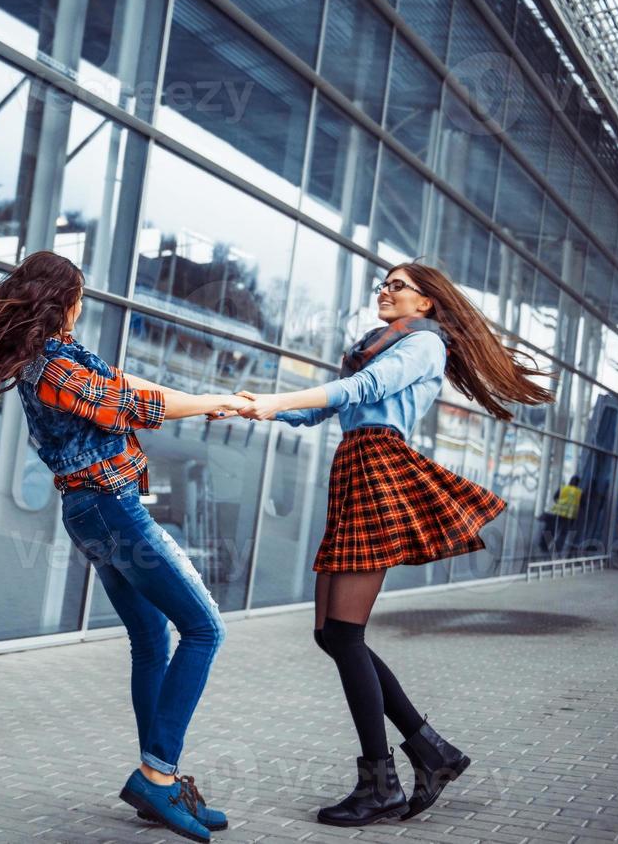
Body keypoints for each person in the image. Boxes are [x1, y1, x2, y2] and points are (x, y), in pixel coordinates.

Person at [0, 251, 251, 843]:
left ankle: (160, 780)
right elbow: (126, 407)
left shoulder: (66, 358)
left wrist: (218, 398)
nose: (83, 304)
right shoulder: (50, 369)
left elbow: (128, 385)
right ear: (63, 300)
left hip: (97, 513)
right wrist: (215, 404)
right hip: (110, 512)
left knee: (151, 638)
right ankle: (156, 777)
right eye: (80, 294)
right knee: (206, 629)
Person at [236, 262, 554, 826]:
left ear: (426, 302)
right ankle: (432, 752)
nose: (385, 290)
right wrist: (250, 404)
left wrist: (277, 401)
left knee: (344, 634)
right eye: (382, 282)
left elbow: (365, 390)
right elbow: (327, 408)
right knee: (330, 635)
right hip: (355, 467)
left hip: (381, 467)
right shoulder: (375, 345)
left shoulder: (424, 344)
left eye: (397, 285)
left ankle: (380, 782)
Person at [544, 475, 583, 557]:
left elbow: (555, 498)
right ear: (578, 483)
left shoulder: (563, 488)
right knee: (563, 533)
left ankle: (546, 546)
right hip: (570, 516)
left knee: (554, 530)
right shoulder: (579, 492)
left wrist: (561, 504)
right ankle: (557, 548)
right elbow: (582, 504)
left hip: (558, 513)